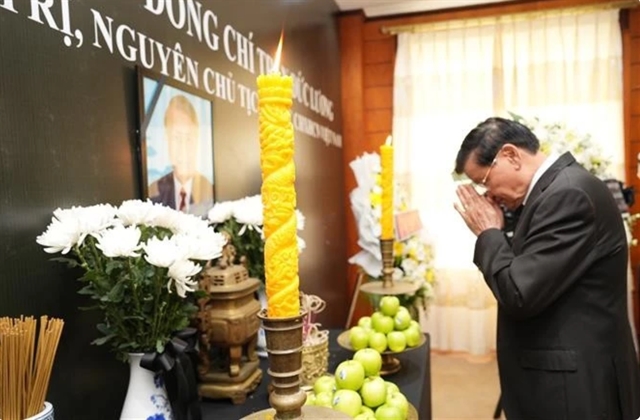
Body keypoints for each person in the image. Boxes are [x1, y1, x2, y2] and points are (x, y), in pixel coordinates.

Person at [453, 117, 640, 419]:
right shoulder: (554, 189)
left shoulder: (568, 195)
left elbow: (519, 293)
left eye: (484, 181)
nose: (488, 193)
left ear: (511, 155)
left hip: (572, 387)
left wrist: (488, 233)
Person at [148, 94, 214, 215]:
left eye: (188, 138)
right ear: (167, 140)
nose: (183, 147)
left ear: (197, 140)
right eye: (176, 138)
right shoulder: (152, 194)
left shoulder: (211, 192)